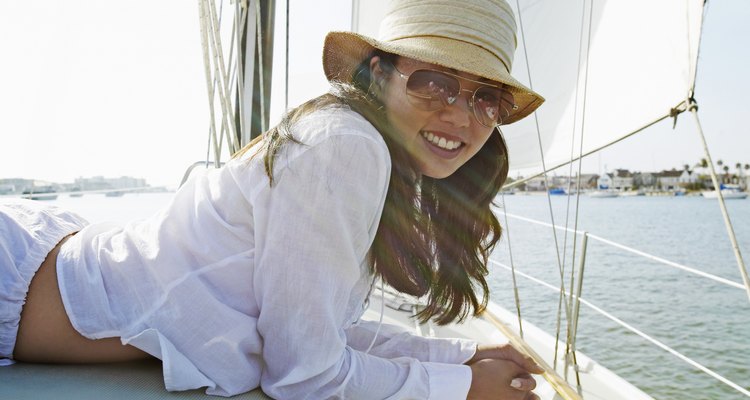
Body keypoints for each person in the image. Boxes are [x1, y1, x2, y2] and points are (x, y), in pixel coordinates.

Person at [1, 0, 546, 398]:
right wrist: (463, 387)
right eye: (432, 81)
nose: (458, 113)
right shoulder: (346, 147)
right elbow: (306, 377)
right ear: (378, 75)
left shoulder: (360, 145)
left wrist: (458, 354)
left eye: (486, 97)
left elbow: (313, 325)